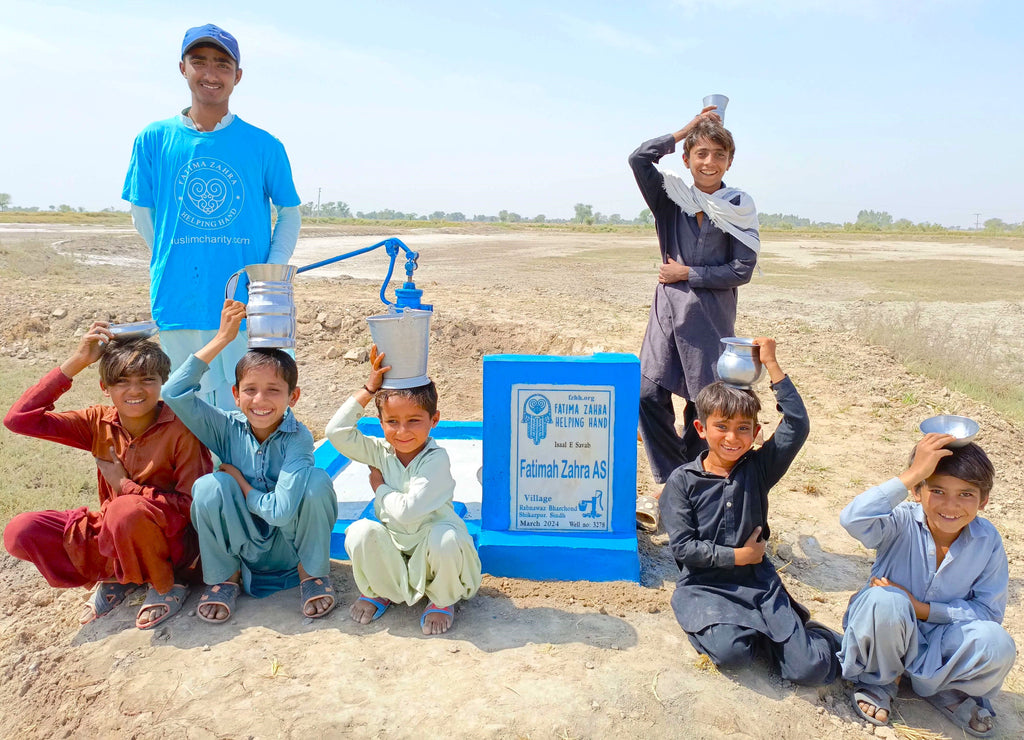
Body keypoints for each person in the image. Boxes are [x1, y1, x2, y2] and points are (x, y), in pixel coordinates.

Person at [122, 23, 302, 411]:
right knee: (187, 409)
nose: (210, 73)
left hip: (245, 306)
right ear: (183, 68)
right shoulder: (153, 139)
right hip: (178, 299)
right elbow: (142, 214)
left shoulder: (263, 145)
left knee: (252, 408)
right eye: (199, 61)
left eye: (222, 64)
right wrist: (174, 258)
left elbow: (289, 213)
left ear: (237, 76)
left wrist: (265, 282)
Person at [3, 324, 211, 629]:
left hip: (172, 545)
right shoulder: (98, 421)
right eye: (122, 382)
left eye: (147, 380)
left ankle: (166, 585)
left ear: (162, 382)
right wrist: (77, 361)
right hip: (117, 533)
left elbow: (190, 508)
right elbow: (19, 420)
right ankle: (118, 575)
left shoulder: (181, 429)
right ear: (105, 387)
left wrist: (125, 486)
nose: (135, 391)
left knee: (123, 511)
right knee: (22, 531)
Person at [659, 338, 839, 686]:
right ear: (701, 429)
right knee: (733, 655)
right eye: (721, 427)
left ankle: (811, 637)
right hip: (705, 587)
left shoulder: (759, 469)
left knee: (809, 671)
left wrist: (771, 364)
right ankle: (760, 634)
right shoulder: (682, 481)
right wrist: (739, 555)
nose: (732, 437)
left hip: (758, 584)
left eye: (743, 428)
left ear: (757, 433)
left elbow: (797, 425)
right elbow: (683, 549)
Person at [162, 300, 337, 622]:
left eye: (273, 390)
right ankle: (225, 578)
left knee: (316, 482)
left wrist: (241, 484)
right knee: (210, 486)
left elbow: (282, 512)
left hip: (289, 545)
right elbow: (174, 392)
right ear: (235, 394)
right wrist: (223, 339)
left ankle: (311, 574)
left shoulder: (298, 438)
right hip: (243, 545)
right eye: (250, 390)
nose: (260, 400)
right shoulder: (226, 426)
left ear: (292, 397)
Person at [629, 105, 760, 532]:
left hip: (711, 321)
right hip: (668, 315)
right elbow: (639, 158)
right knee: (647, 394)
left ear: (729, 162)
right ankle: (672, 479)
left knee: (702, 407)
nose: (709, 162)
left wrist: (689, 273)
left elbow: (742, 269)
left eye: (718, 155)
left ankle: (690, 488)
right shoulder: (670, 200)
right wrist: (687, 128)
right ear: (686, 159)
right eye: (700, 153)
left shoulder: (738, 206)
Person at [838, 435, 1014, 736]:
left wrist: (924, 610)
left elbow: (987, 611)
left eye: (966, 495)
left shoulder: (988, 541)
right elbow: (853, 519)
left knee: (997, 643)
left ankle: (943, 689)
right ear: (917, 492)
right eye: (937, 490)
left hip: (943, 643)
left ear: (983, 500)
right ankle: (881, 679)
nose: (951, 505)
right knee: (885, 601)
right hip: (886, 632)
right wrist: (913, 473)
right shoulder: (899, 522)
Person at [325, 346, 482, 635]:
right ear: (380, 422)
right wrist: (369, 389)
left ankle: (442, 599)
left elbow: (408, 513)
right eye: (392, 422)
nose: (402, 432)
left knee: (444, 539)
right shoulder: (380, 452)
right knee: (360, 533)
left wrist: (379, 487)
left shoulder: (436, 459)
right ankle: (381, 590)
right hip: (396, 549)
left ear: (434, 420)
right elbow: (336, 431)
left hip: (433, 550)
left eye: (414, 421)